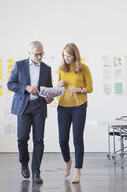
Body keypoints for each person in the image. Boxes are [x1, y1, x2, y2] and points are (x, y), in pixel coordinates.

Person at [7, 41, 54, 183]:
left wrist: (49, 97)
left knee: (39, 140)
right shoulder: (19, 65)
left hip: (39, 107)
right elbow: (10, 84)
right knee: (22, 138)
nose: (39, 57)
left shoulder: (46, 68)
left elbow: (49, 89)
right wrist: (26, 87)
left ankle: (36, 172)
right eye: (36, 54)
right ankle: (24, 163)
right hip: (24, 106)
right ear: (29, 53)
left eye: (41, 54)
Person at [57, 43, 93, 183]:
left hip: (79, 106)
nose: (66, 58)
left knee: (77, 138)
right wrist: (59, 85)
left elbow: (90, 88)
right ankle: (68, 161)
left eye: (69, 56)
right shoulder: (61, 68)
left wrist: (79, 90)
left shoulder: (84, 68)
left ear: (75, 55)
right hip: (63, 106)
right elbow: (57, 89)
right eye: (64, 56)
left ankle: (78, 170)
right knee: (62, 139)